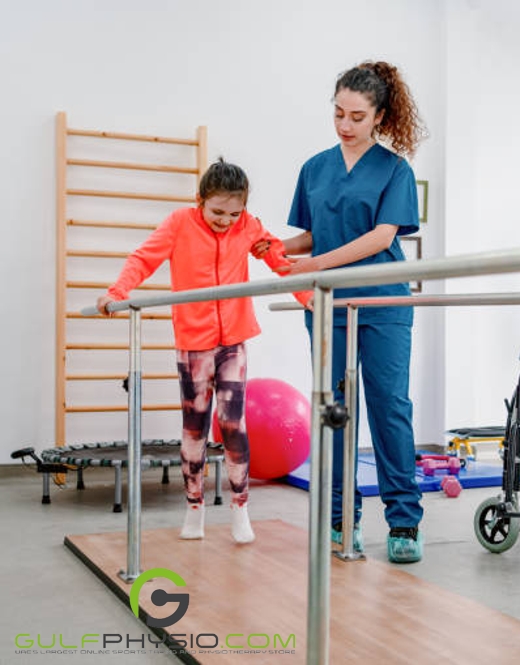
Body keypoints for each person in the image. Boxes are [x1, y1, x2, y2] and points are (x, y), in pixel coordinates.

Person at [96, 158, 311, 544]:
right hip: (194, 342)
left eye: (234, 213)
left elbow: (279, 261)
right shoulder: (179, 223)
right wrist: (117, 292)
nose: (226, 221)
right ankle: (193, 507)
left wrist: (310, 296)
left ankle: (240, 508)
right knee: (194, 428)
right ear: (199, 200)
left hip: (233, 340)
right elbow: (143, 259)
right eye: (217, 212)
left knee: (233, 423)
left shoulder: (247, 225)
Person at [279, 60, 426, 563]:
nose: (345, 124)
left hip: (383, 302)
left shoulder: (394, 169)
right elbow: (312, 234)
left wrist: (316, 263)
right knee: (335, 413)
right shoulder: (314, 168)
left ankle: (404, 522)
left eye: (357, 116)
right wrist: (270, 248)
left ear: (379, 117)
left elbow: (383, 237)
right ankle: (343, 520)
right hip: (329, 306)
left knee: (389, 409)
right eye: (338, 113)